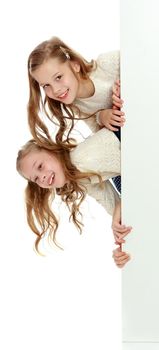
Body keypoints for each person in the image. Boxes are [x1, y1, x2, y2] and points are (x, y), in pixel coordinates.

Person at [16, 128, 131, 268]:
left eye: (40, 166)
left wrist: (124, 209)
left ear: (52, 150)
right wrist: (124, 244)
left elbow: (139, 166)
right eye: (36, 179)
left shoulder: (83, 158)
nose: (43, 177)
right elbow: (117, 209)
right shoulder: (79, 178)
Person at [27, 36, 125, 146]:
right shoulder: (75, 105)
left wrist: (125, 83)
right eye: (46, 85)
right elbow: (99, 132)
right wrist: (102, 117)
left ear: (75, 66)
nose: (55, 90)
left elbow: (139, 58)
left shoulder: (106, 63)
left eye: (58, 77)